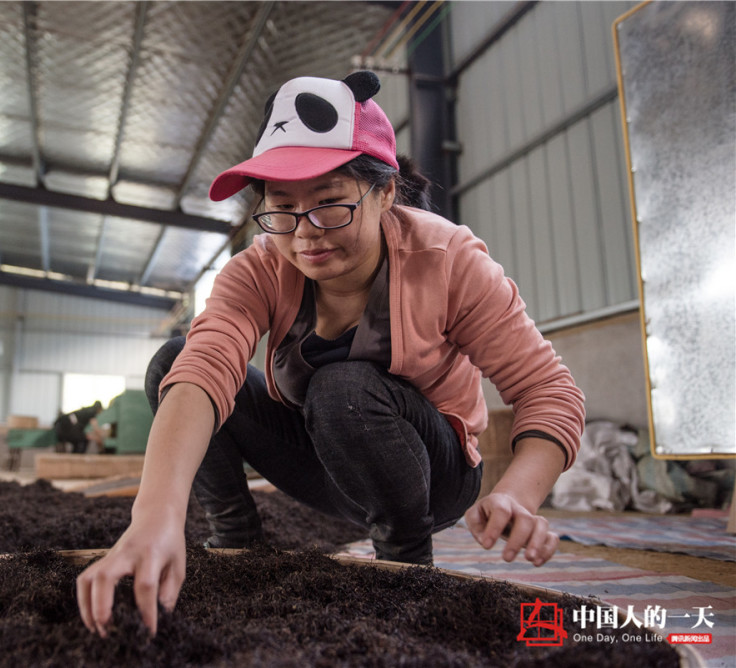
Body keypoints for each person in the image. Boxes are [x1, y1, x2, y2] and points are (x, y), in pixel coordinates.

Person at [76, 71, 585, 637]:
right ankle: (236, 545)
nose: (306, 235)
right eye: (283, 210)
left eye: (330, 205)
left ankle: (405, 570)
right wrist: (156, 512)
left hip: (432, 477)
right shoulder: (260, 269)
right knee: (175, 358)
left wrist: (518, 495)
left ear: (385, 192)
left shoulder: (447, 260)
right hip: (323, 461)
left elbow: (548, 392)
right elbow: (205, 369)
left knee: (343, 387)